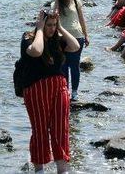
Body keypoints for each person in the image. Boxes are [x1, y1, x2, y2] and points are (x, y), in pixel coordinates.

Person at [20, 9, 80, 174]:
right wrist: (39, 30)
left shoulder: (57, 40)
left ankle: (62, 168)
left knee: (61, 128)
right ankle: (39, 169)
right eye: (49, 25)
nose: (52, 28)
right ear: (41, 23)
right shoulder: (28, 38)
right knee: (40, 129)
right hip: (36, 88)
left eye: (54, 25)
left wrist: (61, 28)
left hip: (59, 86)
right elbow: (37, 51)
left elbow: (75, 46)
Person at [51, 0, 89, 101]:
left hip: (77, 36)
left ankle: (74, 92)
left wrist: (86, 35)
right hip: (62, 37)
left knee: (74, 65)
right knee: (63, 65)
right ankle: (65, 91)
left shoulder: (77, 2)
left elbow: (82, 20)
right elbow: (54, 15)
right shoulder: (56, 4)